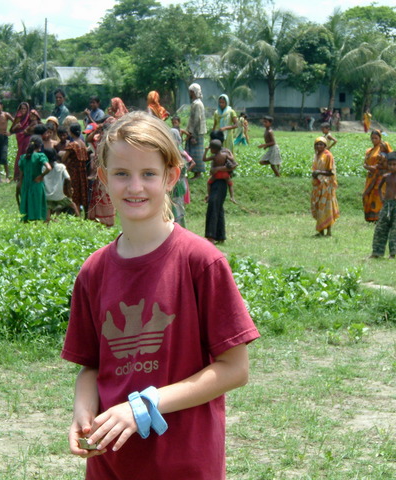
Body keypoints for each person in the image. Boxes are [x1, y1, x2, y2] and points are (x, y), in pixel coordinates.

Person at [61, 111, 259, 480]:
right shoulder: (93, 272)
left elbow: (235, 369)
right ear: (104, 178)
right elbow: (90, 365)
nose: (135, 186)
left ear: (171, 176)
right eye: (122, 174)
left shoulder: (202, 262)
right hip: (111, 464)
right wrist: (83, 410)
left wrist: (144, 406)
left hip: (184, 462)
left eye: (148, 174)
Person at [18, 135, 51, 223]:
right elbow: (49, 168)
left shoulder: (23, 157)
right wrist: (41, 176)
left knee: (26, 208)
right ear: (40, 146)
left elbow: (21, 175)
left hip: (26, 186)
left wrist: (19, 187)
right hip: (37, 185)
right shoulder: (40, 156)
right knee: (38, 207)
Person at [311, 137, 340, 236]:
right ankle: (321, 231)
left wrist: (319, 172)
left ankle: (329, 231)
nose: (319, 146)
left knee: (327, 207)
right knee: (319, 207)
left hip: (326, 185)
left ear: (325, 145)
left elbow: (331, 172)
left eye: (321, 144)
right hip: (317, 185)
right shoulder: (316, 155)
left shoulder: (328, 155)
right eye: (317, 144)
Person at [362, 130, 392, 222]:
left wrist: (379, 168)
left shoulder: (383, 149)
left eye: (376, 138)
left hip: (380, 177)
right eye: (372, 138)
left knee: (378, 195)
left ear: (380, 138)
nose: (374, 140)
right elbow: (365, 162)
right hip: (371, 177)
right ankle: (370, 217)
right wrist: (367, 167)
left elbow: (391, 160)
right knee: (367, 195)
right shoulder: (369, 151)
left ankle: (379, 217)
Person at [62, 123, 90, 216]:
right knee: (81, 192)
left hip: (73, 172)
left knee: (74, 194)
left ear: (71, 132)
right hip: (82, 172)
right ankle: (84, 215)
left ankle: (76, 215)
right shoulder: (82, 143)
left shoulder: (72, 144)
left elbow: (64, 159)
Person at [43, 148, 78, 220]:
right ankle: (80, 221)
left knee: (47, 213)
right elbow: (68, 178)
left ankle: (49, 221)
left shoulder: (42, 168)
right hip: (59, 196)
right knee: (73, 205)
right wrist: (69, 189)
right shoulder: (61, 167)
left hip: (47, 196)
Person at [203, 139, 237, 204]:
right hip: (225, 174)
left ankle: (209, 195)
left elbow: (204, 159)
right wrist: (229, 153)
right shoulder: (225, 155)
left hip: (216, 174)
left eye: (211, 149)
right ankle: (232, 197)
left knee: (209, 183)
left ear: (214, 150)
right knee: (230, 184)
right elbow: (232, 160)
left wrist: (205, 151)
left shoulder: (214, 157)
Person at [186, 83, 207, 179]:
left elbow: (196, 120)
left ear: (193, 92)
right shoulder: (196, 103)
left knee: (197, 154)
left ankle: (198, 173)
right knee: (193, 152)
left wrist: (193, 135)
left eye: (190, 92)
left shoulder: (197, 104)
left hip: (197, 132)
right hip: (196, 132)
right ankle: (195, 173)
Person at [9, 102, 32, 182]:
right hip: (20, 138)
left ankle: (25, 175)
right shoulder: (18, 117)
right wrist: (16, 126)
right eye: (21, 108)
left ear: (27, 109)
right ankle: (17, 176)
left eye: (25, 108)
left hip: (27, 138)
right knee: (20, 155)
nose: (23, 110)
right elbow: (11, 130)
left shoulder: (29, 117)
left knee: (26, 155)